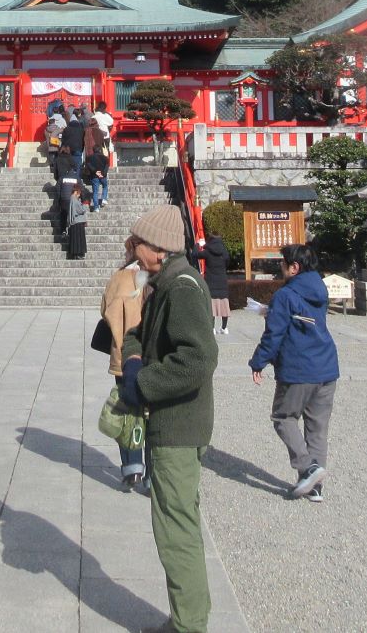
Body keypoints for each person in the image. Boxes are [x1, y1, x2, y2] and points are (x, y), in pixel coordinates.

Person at [118, 205, 218, 633]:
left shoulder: (181, 286)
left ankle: (189, 626)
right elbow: (145, 331)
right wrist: (136, 353)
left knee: (175, 529)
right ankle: (187, 617)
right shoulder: (165, 282)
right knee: (179, 522)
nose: (133, 252)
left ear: (156, 247)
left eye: (137, 244)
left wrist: (145, 384)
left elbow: (198, 358)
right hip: (172, 420)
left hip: (178, 423)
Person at [248, 241, 339, 501]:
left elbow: (274, 334)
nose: (281, 267)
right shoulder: (319, 289)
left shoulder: (285, 296)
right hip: (327, 366)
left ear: (294, 267)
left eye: (284, 263)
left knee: (283, 418)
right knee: (317, 427)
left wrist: (258, 362)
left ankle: (307, 467)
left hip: (299, 368)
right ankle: (314, 486)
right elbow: (303, 320)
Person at [99, 239, 150, 487]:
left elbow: (104, 310)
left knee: (127, 410)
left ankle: (132, 468)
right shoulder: (155, 277)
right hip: (152, 356)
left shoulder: (118, 278)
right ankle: (153, 475)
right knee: (153, 414)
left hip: (123, 354)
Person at [200, 233, 230, 336]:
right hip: (222, 282)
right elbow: (228, 261)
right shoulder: (224, 252)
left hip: (211, 282)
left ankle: (212, 328)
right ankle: (224, 328)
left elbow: (194, 254)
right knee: (224, 306)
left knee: (212, 306)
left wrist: (198, 245)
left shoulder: (207, 252)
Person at [83, 144, 110, 209]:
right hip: (103, 176)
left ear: (93, 150)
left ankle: (96, 207)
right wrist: (102, 174)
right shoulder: (105, 158)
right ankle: (104, 199)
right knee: (105, 186)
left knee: (95, 191)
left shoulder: (89, 158)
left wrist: (95, 172)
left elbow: (88, 165)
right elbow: (106, 167)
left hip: (94, 176)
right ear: (100, 150)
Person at [66, 188, 89, 260]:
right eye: (79, 193)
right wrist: (85, 205)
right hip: (77, 222)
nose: (79, 195)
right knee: (78, 239)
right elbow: (80, 210)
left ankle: (75, 254)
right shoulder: (74, 199)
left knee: (76, 239)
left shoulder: (73, 199)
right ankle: (78, 254)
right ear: (75, 192)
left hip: (75, 222)